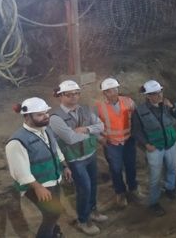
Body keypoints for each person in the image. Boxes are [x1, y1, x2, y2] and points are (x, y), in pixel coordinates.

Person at [6, 97, 72, 237]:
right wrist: (38, 187)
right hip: (36, 185)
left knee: (53, 212)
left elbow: (55, 149)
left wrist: (64, 166)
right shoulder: (17, 141)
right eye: (40, 115)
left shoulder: (46, 130)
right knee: (52, 213)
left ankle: (54, 233)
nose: (46, 116)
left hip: (53, 179)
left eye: (46, 112)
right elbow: (20, 172)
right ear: (27, 117)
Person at [49, 80, 107, 235]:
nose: (74, 97)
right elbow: (70, 139)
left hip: (90, 154)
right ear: (60, 96)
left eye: (76, 93)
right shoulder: (55, 118)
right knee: (84, 189)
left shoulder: (85, 110)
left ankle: (93, 211)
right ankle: (83, 220)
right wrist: (91, 133)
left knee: (93, 185)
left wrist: (85, 129)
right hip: (75, 159)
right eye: (69, 94)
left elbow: (101, 126)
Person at [132, 80, 176, 217]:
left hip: (170, 144)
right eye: (155, 94)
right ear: (147, 96)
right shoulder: (140, 111)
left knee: (172, 168)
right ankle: (154, 202)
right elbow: (136, 131)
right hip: (155, 147)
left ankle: (170, 188)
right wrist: (146, 144)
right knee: (155, 177)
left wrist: (172, 108)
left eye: (160, 92)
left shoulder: (166, 105)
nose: (159, 95)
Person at [94, 77, 138, 208]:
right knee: (116, 170)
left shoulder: (128, 102)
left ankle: (134, 189)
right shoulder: (99, 107)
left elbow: (137, 119)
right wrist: (99, 138)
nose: (113, 93)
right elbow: (92, 126)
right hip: (111, 144)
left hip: (128, 140)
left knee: (131, 166)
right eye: (110, 91)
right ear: (104, 93)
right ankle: (120, 193)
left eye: (115, 89)